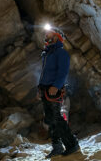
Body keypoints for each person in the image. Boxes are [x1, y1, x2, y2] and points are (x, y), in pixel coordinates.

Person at [38, 26, 80, 157]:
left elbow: (63, 72)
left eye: (50, 34)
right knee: (50, 119)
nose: (47, 37)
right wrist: (39, 89)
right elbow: (43, 74)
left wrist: (56, 86)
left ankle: (72, 144)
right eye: (46, 35)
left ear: (57, 37)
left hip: (54, 90)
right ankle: (57, 147)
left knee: (56, 118)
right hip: (45, 90)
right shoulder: (47, 54)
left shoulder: (61, 53)